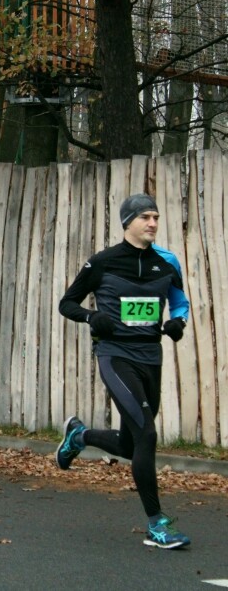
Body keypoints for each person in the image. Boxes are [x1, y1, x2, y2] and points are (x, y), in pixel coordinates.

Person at [56, 193, 192, 549]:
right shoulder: (102, 262)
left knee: (133, 444)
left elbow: (179, 301)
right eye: (146, 217)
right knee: (147, 435)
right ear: (127, 222)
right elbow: (67, 303)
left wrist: (178, 322)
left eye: (156, 217)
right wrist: (91, 316)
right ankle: (157, 524)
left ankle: (79, 437)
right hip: (115, 356)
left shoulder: (168, 262)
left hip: (151, 357)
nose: (152, 223)